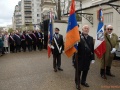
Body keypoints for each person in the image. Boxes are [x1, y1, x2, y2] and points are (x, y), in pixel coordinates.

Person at [75, 25, 95, 89]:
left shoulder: (91, 38)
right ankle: (77, 83)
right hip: (79, 57)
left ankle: (83, 81)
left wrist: (93, 58)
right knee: (78, 71)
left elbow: (92, 49)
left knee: (86, 70)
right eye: (85, 28)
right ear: (82, 29)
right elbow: (74, 48)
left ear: (88, 30)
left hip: (87, 58)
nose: (86, 29)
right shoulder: (78, 37)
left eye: (87, 28)